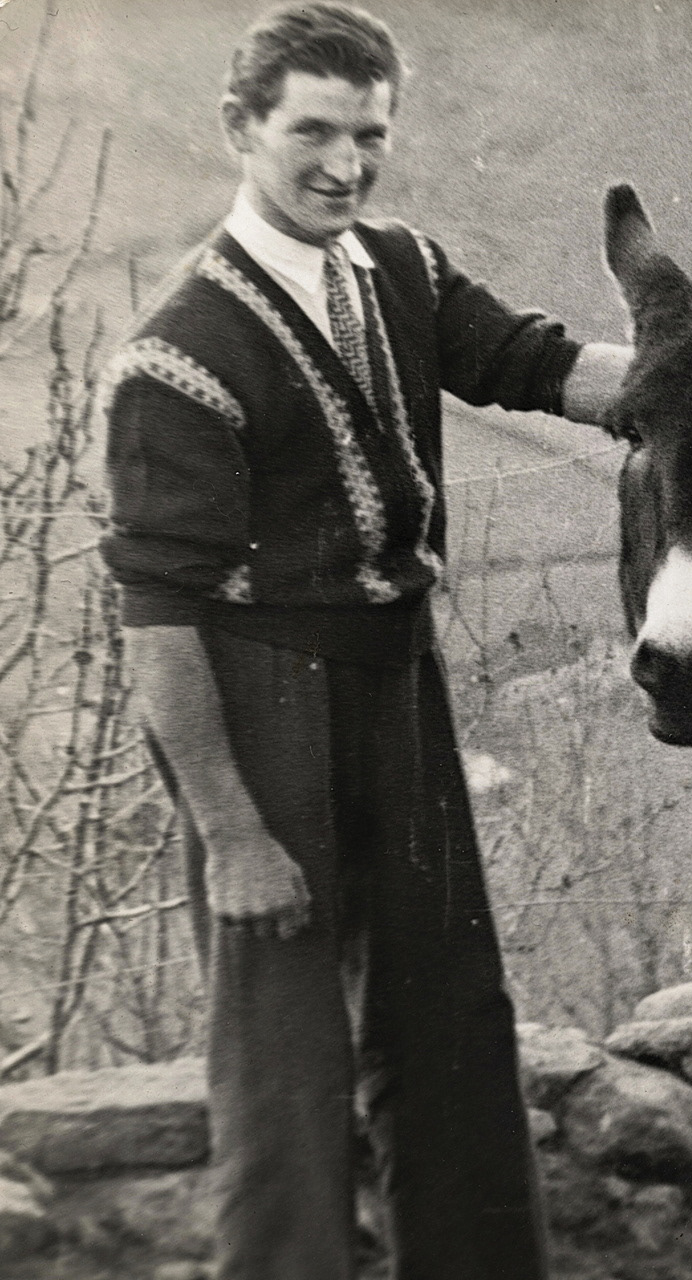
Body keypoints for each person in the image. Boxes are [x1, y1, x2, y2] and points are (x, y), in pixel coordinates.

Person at [98, 6, 629, 1277]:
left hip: (401, 689)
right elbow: (159, 621)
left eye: (370, 133)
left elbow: (538, 364)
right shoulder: (177, 357)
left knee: (451, 1014)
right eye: (313, 133)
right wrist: (230, 834)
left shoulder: (397, 267)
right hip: (261, 708)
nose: (346, 163)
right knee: (284, 1061)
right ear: (241, 129)